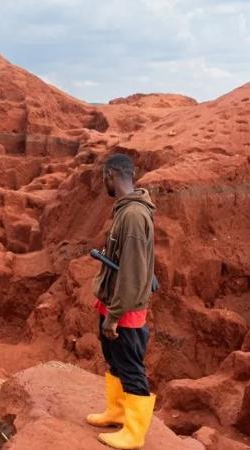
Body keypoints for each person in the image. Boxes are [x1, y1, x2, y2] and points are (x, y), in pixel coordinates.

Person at [86, 153, 157, 449]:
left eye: (105, 178)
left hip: (124, 311)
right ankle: (116, 413)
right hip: (114, 304)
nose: (104, 183)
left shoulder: (133, 215)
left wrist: (114, 315)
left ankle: (135, 433)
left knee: (130, 367)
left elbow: (132, 272)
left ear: (111, 175)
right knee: (114, 360)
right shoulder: (126, 211)